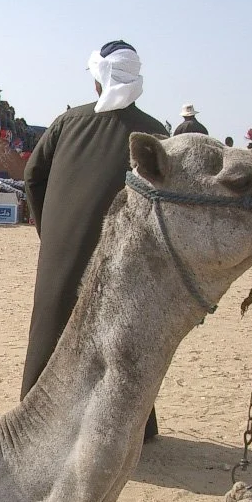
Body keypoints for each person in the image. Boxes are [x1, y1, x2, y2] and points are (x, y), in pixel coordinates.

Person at [22, 39, 167, 439]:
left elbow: (33, 175)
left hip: (63, 246)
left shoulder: (68, 122)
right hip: (131, 251)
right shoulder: (155, 130)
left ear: (98, 79)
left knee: (51, 329)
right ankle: (135, 427)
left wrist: (51, 230)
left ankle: (35, 425)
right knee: (126, 334)